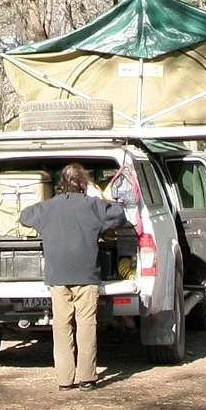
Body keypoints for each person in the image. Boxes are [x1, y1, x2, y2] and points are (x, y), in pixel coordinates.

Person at [21, 162, 129, 390]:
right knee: (86, 324)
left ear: (61, 184)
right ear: (84, 183)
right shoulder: (92, 206)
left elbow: (25, 216)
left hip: (57, 275)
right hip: (86, 274)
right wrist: (102, 198)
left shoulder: (48, 207)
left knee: (61, 326)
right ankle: (87, 378)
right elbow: (119, 215)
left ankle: (64, 380)